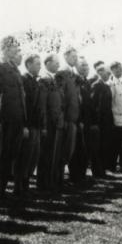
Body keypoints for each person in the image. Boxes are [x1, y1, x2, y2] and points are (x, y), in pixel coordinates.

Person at [0, 36, 27, 197]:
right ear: (6, 48)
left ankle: (4, 189)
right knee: (3, 155)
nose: (17, 50)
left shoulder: (14, 67)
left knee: (12, 154)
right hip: (5, 118)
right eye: (15, 47)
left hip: (17, 118)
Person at [55, 47, 80, 189]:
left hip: (73, 119)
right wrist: (63, 118)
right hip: (66, 119)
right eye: (72, 57)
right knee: (62, 151)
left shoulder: (72, 73)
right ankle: (58, 180)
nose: (75, 59)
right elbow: (61, 97)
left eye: (76, 57)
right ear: (65, 57)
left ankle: (61, 179)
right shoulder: (62, 73)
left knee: (69, 150)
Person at [21, 54, 46, 193]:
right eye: (37, 64)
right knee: (25, 157)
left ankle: (26, 184)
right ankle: (21, 187)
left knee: (33, 156)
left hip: (36, 125)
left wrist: (42, 125)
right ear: (28, 65)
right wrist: (24, 125)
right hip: (28, 125)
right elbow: (24, 105)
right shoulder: (24, 80)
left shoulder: (36, 81)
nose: (40, 66)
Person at [38, 54, 64, 190]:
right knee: (46, 154)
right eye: (56, 63)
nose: (58, 66)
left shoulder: (53, 79)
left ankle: (51, 182)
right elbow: (42, 105)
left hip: (56, 122)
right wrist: (44, 124)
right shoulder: (44, 79)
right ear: (47, 63)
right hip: (48, 123)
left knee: (54, 154)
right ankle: (44, 184)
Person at [91, 61, 112, 177]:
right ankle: (98, 171)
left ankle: (102, 170)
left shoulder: (105, 85)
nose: (108, 74)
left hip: (106, 121)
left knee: (104, 146)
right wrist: (95, 122)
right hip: (99, 122)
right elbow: (94, 105)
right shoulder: (97, 85)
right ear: (99, 72)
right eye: (106, 72)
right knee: (98, 147)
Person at [109, 61, 122, 171]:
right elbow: (110, 101)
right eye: (118, 69)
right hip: (115, 118)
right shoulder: (111, 83)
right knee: (115, 144)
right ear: (113, 70)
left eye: (121, 69)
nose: (120, 71)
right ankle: (113, 166)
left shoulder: (120, 83)